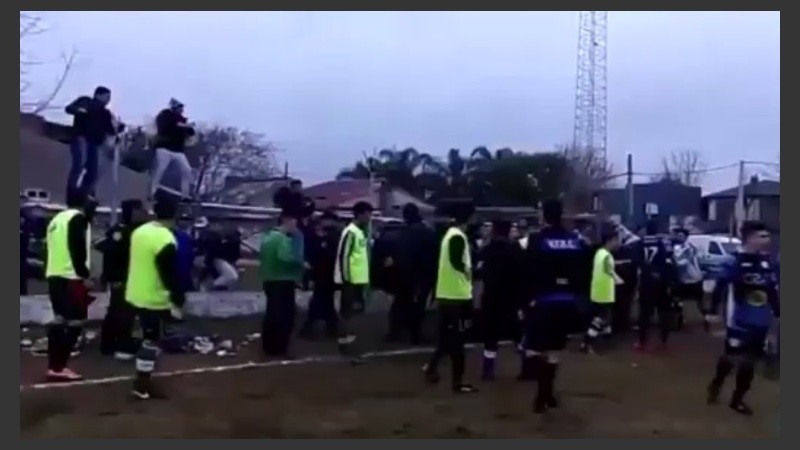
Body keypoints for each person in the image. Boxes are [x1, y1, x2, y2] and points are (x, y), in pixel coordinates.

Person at [521, 199, 592, 413]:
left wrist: (527, 299)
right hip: (567, 303)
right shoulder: (575, 241)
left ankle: (542, 395)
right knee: (554, 351)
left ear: (544, 215)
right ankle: (547, 394)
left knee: (534, 349)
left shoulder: (535, 240)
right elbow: (583, 272)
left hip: (542, 302)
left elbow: (527, 272)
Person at [706, 221, 779, 416]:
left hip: (760, 323)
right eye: (763, 236)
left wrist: (778, 312)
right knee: (731, 358)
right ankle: (716, 384)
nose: (768, 240)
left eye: (768, 236)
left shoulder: (767, 262)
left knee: (750, 362)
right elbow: (720, 287)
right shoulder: (734, 261)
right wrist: (712, 312)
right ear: (750, 238)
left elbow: (771, 290)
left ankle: (737, 400)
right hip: (738, 321)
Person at [125, 196, 185, 399]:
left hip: (135, 293)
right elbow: (168, 272)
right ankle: (141, 385)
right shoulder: (165, 238)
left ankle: (144, 380)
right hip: (154, 297)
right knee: (151, 341)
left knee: (149, 339)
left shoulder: (139, 231)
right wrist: (177, 299)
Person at [422, 200, 478, 394]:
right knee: (456, 342)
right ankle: (457, 382)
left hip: (447, 294)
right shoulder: (457, 237)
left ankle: (431, 369)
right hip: (456, 295)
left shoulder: (450, 235)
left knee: (447, 339)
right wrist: (469, 271)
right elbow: (456, 261)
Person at [44, 190, 98, 381]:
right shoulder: (78, 218)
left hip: (54, 274)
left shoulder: (56, 220)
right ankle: (60, 365)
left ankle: (53, 365)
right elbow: (77, 248)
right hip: (71, 276)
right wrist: (84, 275)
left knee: (60, 320)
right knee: (75, 321)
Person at [99, 199, 147, 359]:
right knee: (120, 311)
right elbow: (110, 255)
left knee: (125, 311)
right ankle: (115, 344)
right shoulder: (120, 232)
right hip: (121, 278)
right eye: (138, 210)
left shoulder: (134, 230)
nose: (142, 213)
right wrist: (112, 277)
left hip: (130, 277)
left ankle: (118, 341)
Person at [479, 219, 526, 380]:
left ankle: (488, 370)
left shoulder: (487, 249)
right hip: (510, 299)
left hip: (491, 298)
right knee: (518, 335)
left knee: (490, 336)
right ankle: (526, 369)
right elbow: (522, 275)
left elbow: (479, 269)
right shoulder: (515, 249)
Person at [386, 203, 437, 345]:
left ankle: (395, 332)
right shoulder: (426, 231)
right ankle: (416, 335)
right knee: (418, 306)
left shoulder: (407, 232)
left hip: (407, 275)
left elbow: (402, 254)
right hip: (422, 275)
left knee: (399, 304)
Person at [260, 210, 305, 357]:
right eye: (294, 221)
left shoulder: (267, 237)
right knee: (285, 316)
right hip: (283, 280)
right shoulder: (282, 239)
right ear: (287, 220)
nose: (295, 225)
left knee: (272, 314)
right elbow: (286, 258)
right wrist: (302, 264)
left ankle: (269, 347)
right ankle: (281, 348)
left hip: (269, 279)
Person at [333, 201, 373, 363]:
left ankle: (352, 347)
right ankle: (347, 348)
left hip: (358, 281)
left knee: (355, 315)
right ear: (361, 214)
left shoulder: (360, 232)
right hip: (350, 282)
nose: (370, 217)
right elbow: (344, 256)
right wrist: (346, 279)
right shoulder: (350, 232)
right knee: (348, 315)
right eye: (368, 214)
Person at [64, 86, 121, 197]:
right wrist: (80, 110)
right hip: (82, 138)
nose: (109, 99)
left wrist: (120, 128)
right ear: (98, 95)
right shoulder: (86, 101)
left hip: (94, 143)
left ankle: (86, 193)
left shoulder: (106, 113)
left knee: (93, 171)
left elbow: (111, 130)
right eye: (107, 96)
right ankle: (72, 192)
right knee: (79, 166)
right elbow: (69, 108)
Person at [634, 220, 677, 352]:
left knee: (644, 314)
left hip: (646, 282)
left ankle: (642, 342)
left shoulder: (639, 243)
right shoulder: (662, 243)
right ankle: (663, 339)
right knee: (664, 311)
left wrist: (648, 272)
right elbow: (667, 261)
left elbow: (637, 262)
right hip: (661, 282)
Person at [581, 225, 622, 354]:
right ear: (610, 240)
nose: (618, 242)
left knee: (604, 318)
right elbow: (608, 269)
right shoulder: (606, 255)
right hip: (604, 291)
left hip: (598, 290)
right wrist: (618, 279)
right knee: (601, 318)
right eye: (616, 239)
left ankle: (605, 337)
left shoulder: (600, 252)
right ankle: (586, 343)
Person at [300, 212, 341, 339]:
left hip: (326, 274)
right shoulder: (334, 235)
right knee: (324, 301)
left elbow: (325, 255)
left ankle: (315, 327)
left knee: (320, 300)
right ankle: (331, 327)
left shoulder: (332, 236)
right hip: (327, 274)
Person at [150, 98, 196, 200]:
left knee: (187, 171)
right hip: (164, 148)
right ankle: (151, 191)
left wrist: (188, 127)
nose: (182, 110)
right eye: (180, 108)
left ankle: (185, 195)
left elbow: (191, 133)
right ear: (174, 107)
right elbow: (164, 127)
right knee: (160, 170)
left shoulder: (183, 120)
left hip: (178, 150)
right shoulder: (165, 115)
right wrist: (181, 126)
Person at [672, 227, 709, 331]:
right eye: (678, 235)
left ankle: (705, 319)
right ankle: (680, 320)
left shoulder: (689, 248)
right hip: (682, 279)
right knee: (678, 299)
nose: (679, 237)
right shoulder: (676, 247)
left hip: (694, 278)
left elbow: (682, 262)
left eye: (681, 236)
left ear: (686, 237)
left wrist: (673, 261)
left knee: (699, 301)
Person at [173, 214, 197, 294]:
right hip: (179, 271)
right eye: (182, 220)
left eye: (187, 220)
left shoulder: (191, 237)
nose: (184, 222)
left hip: (186, 272)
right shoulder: (177, 235)